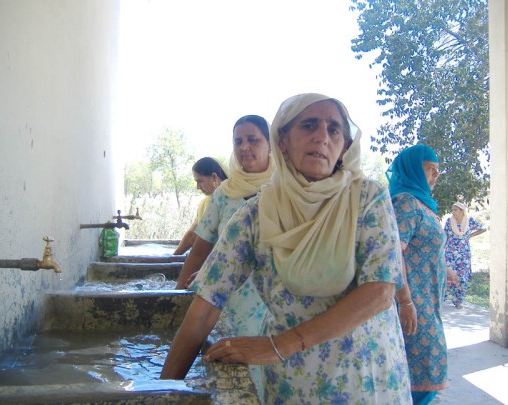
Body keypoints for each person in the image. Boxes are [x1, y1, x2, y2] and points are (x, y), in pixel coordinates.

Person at [162, 93, 412, 404]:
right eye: (309, 125)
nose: (322, 136)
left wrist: (281, 345)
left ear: (345, 146)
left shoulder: (368, 199)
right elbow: (205, 307)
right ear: (282, 141)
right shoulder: (256, 215)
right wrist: (163, 393)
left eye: (334, 129)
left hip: (368, 379)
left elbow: (379, 292)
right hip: (294, 385)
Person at [174, 114, 274, 399]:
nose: (245, 147)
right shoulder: (224, 195)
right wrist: (176, 297)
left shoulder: (285, 191)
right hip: (230, 302)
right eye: (238, 141)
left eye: (253, 139)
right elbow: (199, 250)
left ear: (271, 145)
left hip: (272, 304)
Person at [387, 144, 459, 404]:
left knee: (423, 369)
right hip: (414, 302)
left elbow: (421, 247)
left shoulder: (422, 204)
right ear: (413, 170)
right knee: (425, 369)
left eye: (437, 169)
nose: (436, 175)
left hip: (428, 301)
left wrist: (444, 268)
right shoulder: (405, 202)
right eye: (430, 169)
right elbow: (392, 254)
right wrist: (405, 301)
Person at [173, 157, 228, 255]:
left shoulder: (230, 200)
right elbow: (192, 234)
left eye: (200, 181)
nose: (198, 187)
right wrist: (174, 256)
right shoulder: (205, 202)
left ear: (214, 177)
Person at [444, 202, 486, 309]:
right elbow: (445, 235)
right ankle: (441, 299)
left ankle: (458, 301)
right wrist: (442, 249)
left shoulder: (469, 221)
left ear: (462, 211)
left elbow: (483, 228)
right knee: (447, 275)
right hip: (450, 253)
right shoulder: (449, 221)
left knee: (462, 277)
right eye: (452, 210)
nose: (453, 212)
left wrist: (470, 235)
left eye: (455, 210)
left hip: (464, 254)